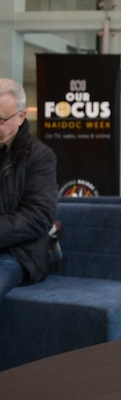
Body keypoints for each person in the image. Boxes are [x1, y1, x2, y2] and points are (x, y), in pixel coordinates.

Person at [0, 78, 58, 299]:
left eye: (1, 119)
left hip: (17, 254)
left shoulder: (40, 156)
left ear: (21, 117)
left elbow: (39, 216)